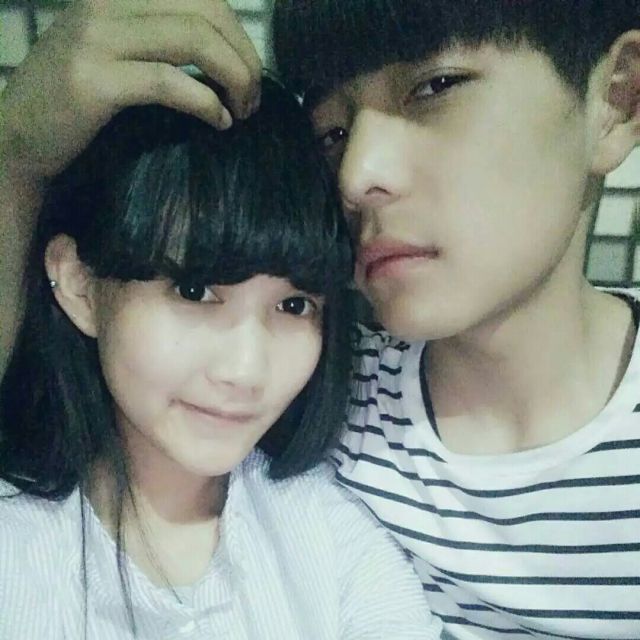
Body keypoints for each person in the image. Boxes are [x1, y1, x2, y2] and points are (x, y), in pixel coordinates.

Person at [2, 0, 640, 638]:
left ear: (617, 97)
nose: (356, 176)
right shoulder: (334, 399)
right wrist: (17, 157)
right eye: (333, 134)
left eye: (435, 87)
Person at [0, 76, 441, 639]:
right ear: (80, 285)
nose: (246, 371)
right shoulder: (18, 548)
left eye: (294, 305)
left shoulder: (332, 542)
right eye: (195, 291)